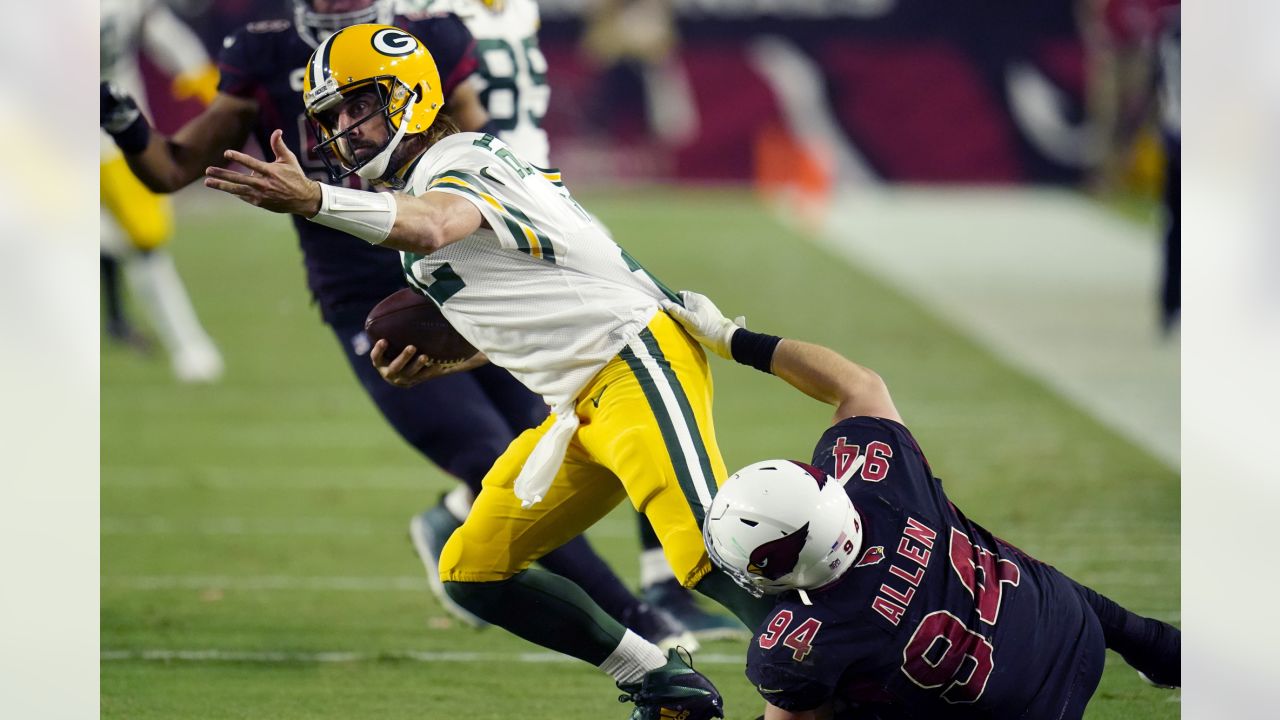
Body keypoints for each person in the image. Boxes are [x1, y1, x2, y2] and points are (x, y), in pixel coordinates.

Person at [200, 23, 777, 719]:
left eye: (359, 105)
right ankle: (659, 678)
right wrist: (442, 361)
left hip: (636, 359)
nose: (346, 129)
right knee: (472, 572)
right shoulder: (425, 199)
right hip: (580, 405)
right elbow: (523, 314)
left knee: (711, 558)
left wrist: (317, 201)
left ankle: (848, 673)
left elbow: (433, 224)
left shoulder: (462, 159)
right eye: (334, 116)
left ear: (412, 96)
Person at [99, 0, 690, 649]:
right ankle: (638, 625)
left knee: (558, 435)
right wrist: (122, 118)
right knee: (487, 456)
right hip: (370, 297)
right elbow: (171, 167)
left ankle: (461, 521)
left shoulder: (427, 35)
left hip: (465, 279)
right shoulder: (267, 49)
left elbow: (475, 156)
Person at [664, 290, 1181, 719]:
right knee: (1038, 582)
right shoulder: (881, 475)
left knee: (836, 700)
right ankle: (1170, 652)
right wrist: (733, 339)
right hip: (1063, 617)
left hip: (1024, 708)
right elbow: (859, 384)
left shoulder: (810, 639)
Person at [409, 0, 743, 640]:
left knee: (643, 357)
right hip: (487, 207)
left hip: (529, 196)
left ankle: (661, 583)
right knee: (624, 365)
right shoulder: (427, 17)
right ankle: (661, 585)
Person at [100, 0, 224, 382]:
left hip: (114, 136)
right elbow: (172, 41)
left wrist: (206, 82)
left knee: (145, 242)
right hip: (68, 135)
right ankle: (187, 345)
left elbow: (167, 38)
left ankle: (187, 344)